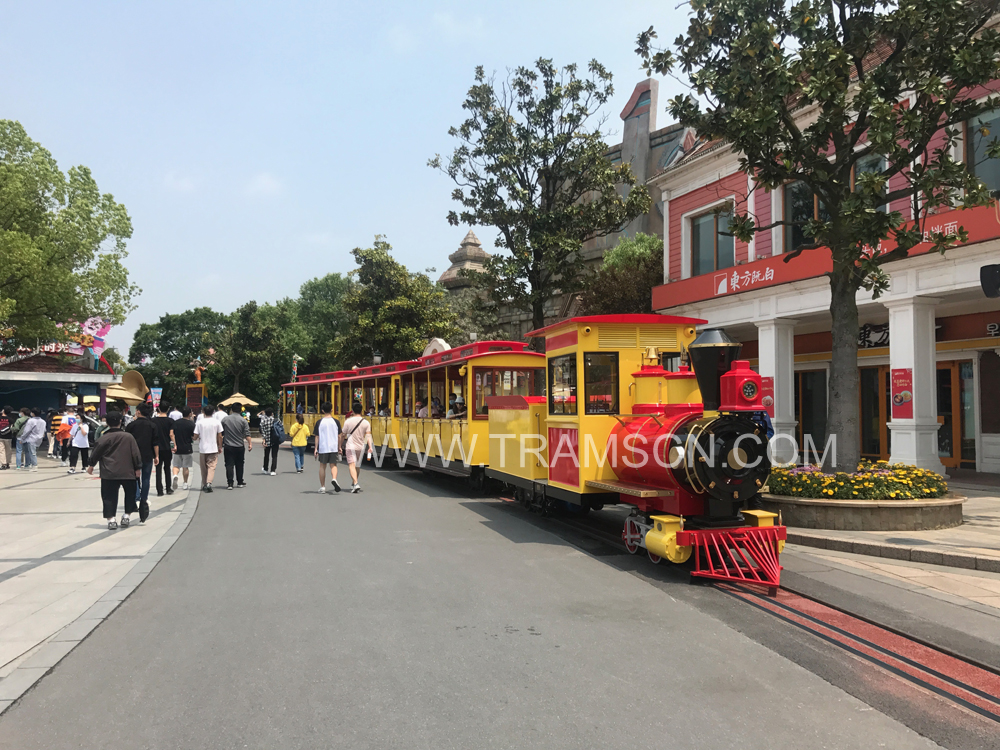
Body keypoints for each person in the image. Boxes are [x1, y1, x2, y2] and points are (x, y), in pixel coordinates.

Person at [87, 411, 142, 531]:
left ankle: (111, 519)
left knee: (108, 496)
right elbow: (135, 454)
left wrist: (91, 465)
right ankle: (126, 516)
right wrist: (138, 468)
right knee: (130, 494)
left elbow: (96, 452)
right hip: (127, 471)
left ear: (107, 422)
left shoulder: (104, 438)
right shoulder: (128, 437)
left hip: (109, 472)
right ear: (120, 422)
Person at [125, 402, 160, 522]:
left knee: (134, 478)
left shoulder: (131, 425)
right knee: (146, 478)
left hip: (133, 456)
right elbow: (155, 443)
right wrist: (156, 456)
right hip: (147, 455)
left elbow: (127, 441)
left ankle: (136, 497)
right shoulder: (152, 425)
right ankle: (144, 499)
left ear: (138, 412)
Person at [341, 401, 374, 493]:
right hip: (361, 446)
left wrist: (339, 445)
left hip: (350, 446)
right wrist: (370, 447)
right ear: (361, 411)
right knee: (357, 466)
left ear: (352, 411)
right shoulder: (366, 423)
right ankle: (353, 483)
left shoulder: (348, 421)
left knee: (351, 465)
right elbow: (368, 436)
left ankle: (355, 483)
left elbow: (343, 434)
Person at [221, 401, 252, 489]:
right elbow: (247, 434)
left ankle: (230, 483)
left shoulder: (225, 419)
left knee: (229, 464)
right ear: (240, 410)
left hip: (228, 445)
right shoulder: (243, 420)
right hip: (239, 445)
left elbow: (220, 432)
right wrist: (250, 444)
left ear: (232, 409)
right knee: (240, 464)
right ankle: (240, 482)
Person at [194, 405, 224, 492]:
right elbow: (220, 435)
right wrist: (220, 446)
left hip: (203, 448)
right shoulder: (217, 422)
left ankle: (204, 483)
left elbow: (195, 435)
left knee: (203, 467)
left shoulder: (199, 422)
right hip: (213, 447)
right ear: (213, 412)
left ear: (203, 412)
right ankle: (209, 483)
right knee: (211, 466)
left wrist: (194, 438)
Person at [313, 401, 341, 493]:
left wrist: (316, 448)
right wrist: (339, 446)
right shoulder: (336, 422)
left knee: (322, 466)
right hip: (333, 447)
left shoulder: (319, 422)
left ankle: (322, 487)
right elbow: (339, 436)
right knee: (333, 465)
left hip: (323, 447)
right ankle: (334, 479)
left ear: (322, 410)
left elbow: (317, 436)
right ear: (332, 410)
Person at [152, 404, 175, 496]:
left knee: (158, 468)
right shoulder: (170, 421)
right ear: (168, 409)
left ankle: (159, 490)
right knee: (167, 467)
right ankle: (168, 488)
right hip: (167, 447)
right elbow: (171, 434)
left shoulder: (153, 421)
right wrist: (174, 445)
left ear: (158, 409)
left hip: (156, 447)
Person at [171, 407, 196, 490]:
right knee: (185, 467)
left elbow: (172, 434)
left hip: (177, 447)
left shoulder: (176, 423)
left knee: (176, 465)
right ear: (190, 414)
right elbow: (194, 436)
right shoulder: (191, 424)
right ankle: (185, 483)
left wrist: (174, 444)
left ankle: (175, 475)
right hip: (187, 447)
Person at [67, 408, 91, 474]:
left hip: (84, 443)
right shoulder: (74, 426)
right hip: (75, 443)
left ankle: (84, 467)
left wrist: (81, 427)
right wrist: (69, 441)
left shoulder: (85, 426)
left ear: (81, 419)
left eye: (78, 418)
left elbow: (84, 433)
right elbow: (71, 434)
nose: (77, 419)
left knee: (84, 456)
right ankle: (72, 467)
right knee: (73, 455)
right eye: (76, 418)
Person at [258, 408, 278, 475]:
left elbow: (261, 430)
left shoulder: (263, 421)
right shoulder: (276, 420)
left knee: (266, 455)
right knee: (274, 456)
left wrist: (264, 439)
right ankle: (273, 470)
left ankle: (265, 469)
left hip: (267, 440)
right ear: (272, 413)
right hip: (275, 440)